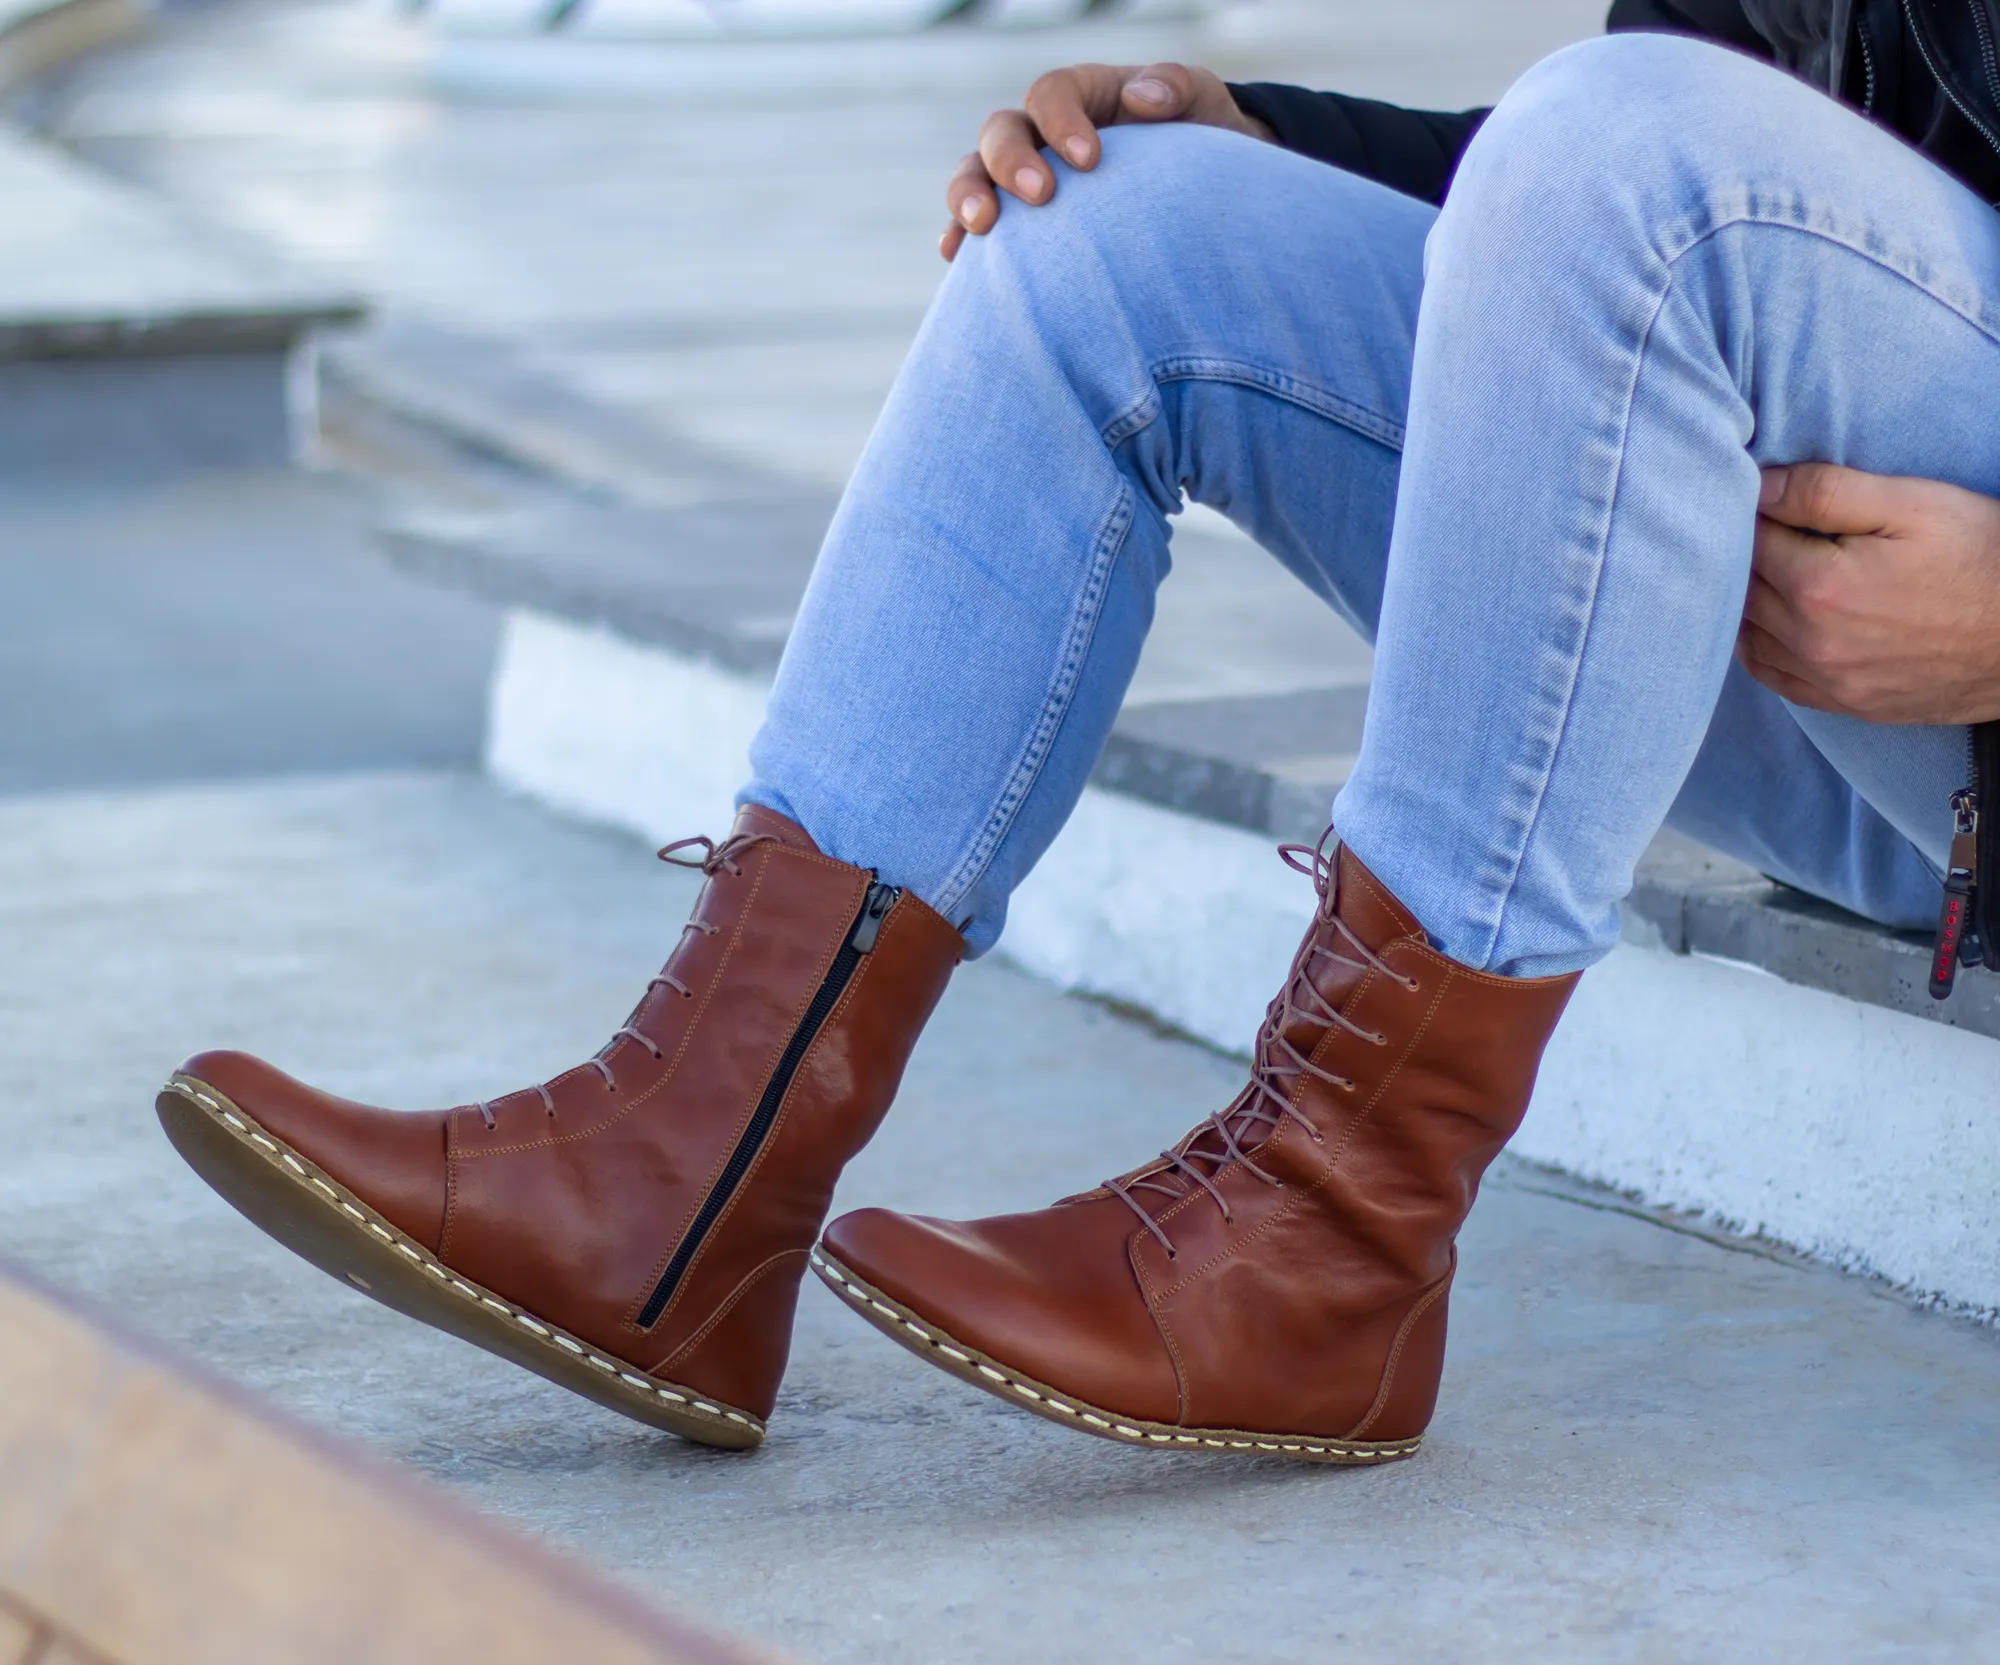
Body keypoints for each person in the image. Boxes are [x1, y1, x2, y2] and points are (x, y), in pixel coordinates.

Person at [159, 1, 2000, 1461]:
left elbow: (1680, 177)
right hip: (1835, 661)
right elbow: (1703, 200)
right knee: (1119, 215)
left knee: (1628, 131)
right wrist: (1269, 140)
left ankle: (1334, 1236)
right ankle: (681, 1172)